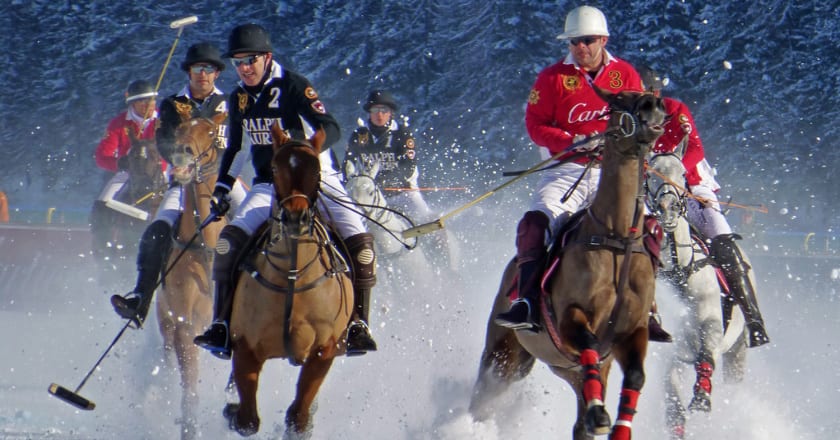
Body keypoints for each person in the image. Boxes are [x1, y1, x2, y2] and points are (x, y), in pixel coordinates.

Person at [192, 23, 378, 359]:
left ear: (267, 58)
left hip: (316, 178)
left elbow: (331, 126)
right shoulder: (239, 98)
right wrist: (221, 188)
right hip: (269, 183)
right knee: (227, 242)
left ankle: (358, 324)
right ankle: (220, 324)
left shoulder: (293, 85)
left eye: (250, 60)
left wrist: (307, 149)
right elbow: (235, 148)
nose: (245, 68)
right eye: (238, 62)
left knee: (359, 238)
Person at [493, 5, 672, 342]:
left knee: (649, 227)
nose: (580, 47)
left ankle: (647, 308)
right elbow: (535, 125)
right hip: (566, 170)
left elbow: (642, 123)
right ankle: (527, 301)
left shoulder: (626, 76)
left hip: (612, 174)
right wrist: (570, 141)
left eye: (588, 40)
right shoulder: (551, 78)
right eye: (574, 41)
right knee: (535, 223)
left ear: (603, 39)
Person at [110, 42, 247, 326]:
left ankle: (264, 296)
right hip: (184, 182)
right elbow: (162, 142)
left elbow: (243, 144)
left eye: (209, 69)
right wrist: (177, 159)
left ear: (217, 73)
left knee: (255, 223)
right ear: (189, 71)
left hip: (224, 180)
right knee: (158, 228)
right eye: (198, 69)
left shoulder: (234, 103)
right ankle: (140, 298)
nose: (203, 74)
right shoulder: (173, 105)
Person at [638, 66, 770, 347]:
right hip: (646, 193)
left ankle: (753, 319)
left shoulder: (675, 110)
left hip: (691, 185)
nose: (641, 99)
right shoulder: (625, 121)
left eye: (646, 92)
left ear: (656, 93)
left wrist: (670, 171)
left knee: (721, 238)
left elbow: (696, 149)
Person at [343, 90, 455, 271]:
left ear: (391, 113)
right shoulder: (359, 135)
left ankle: (445, 270)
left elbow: (408, 167)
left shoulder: (402, 134)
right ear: (369, 113)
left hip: (402, 193)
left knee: (430, 222)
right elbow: (348, 163)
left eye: (383, 110)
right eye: (375, 110)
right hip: (367, 198)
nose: (379, 114)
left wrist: (383, 183)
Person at [91, 79, 162, 217]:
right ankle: (100, 235)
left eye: (152, 100)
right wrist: (120, 163)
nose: (149, 105)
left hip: (161, 172)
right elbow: (101, 157)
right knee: (102, 204)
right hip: (129, 173)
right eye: (143, 101)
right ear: (132, 103)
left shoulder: (164, 120)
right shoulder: (118, 123)